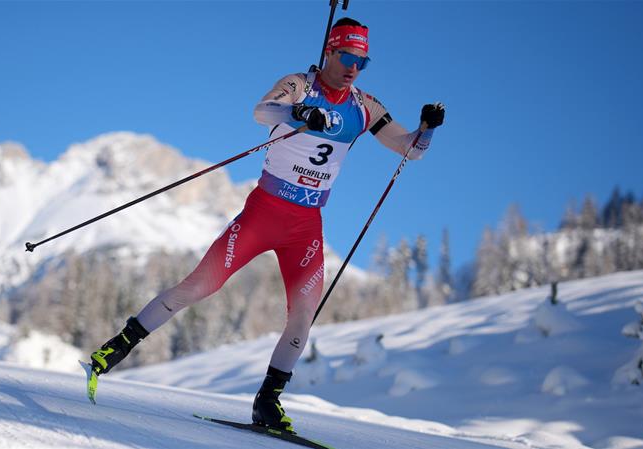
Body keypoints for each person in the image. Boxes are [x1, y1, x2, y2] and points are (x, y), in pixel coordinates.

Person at [87, 17, 445, 433]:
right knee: (201, 286)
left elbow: (410, 150)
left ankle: (268, 402)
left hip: (306, 224)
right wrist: (300, 113)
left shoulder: (365, 107)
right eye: (347, 57)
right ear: (329, 52)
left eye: (361, 62)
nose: (353, 68)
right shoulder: (298, 85)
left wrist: (427, 129)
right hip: (265, 212)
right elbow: (262, 111)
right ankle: (114, 349)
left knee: (304, 314)